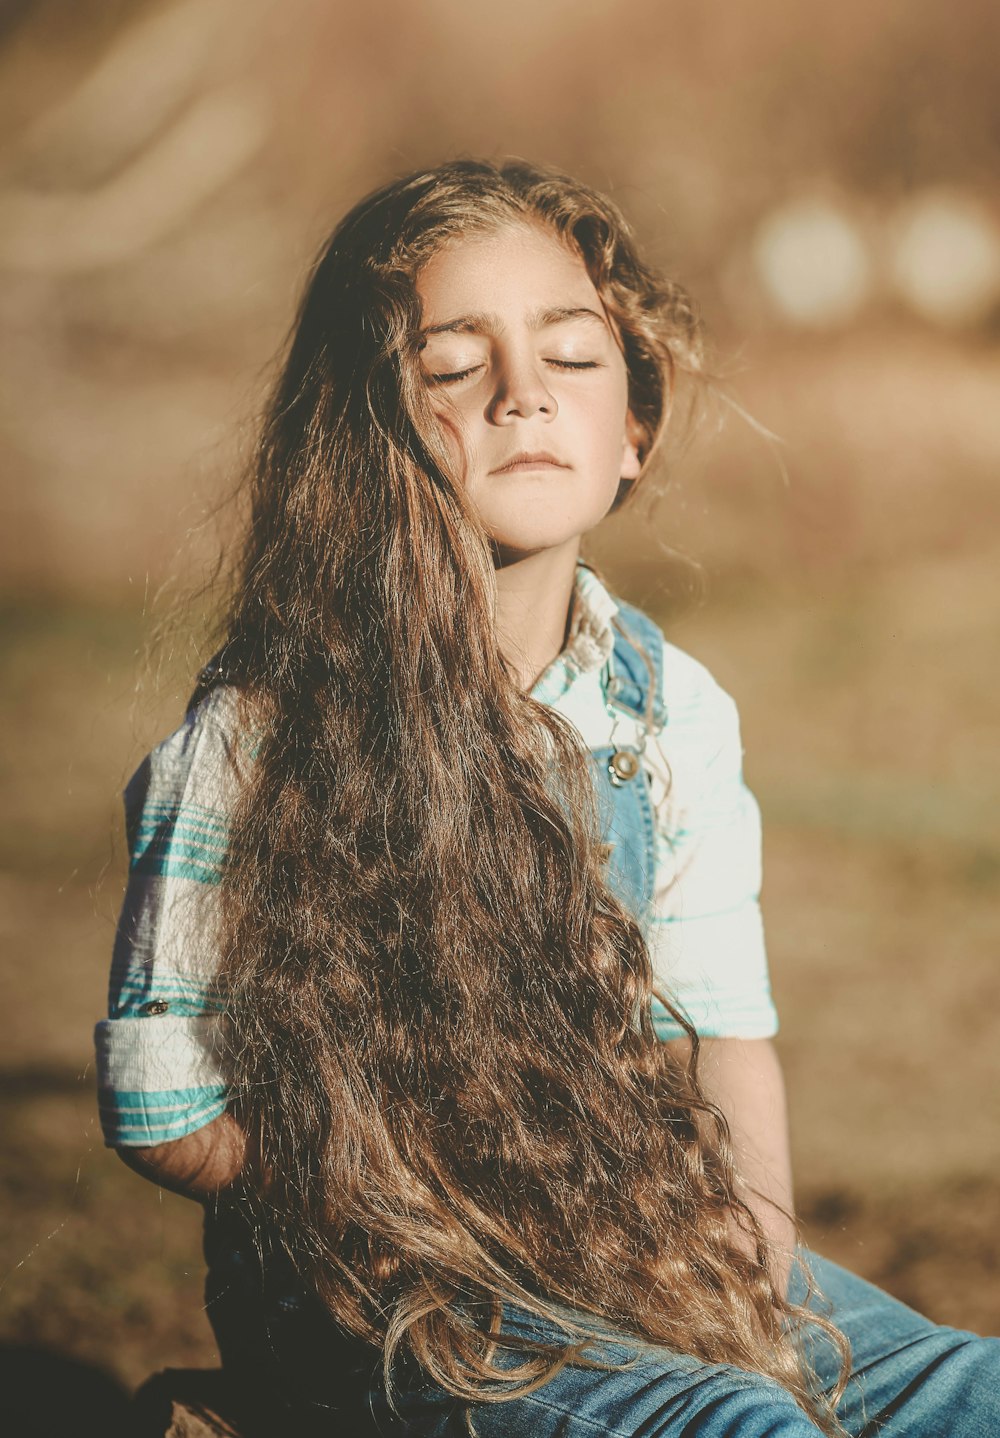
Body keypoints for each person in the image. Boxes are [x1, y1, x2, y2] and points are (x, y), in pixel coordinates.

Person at [94, 159, 999, 1437]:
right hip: (389, 1290)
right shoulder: (264, 732)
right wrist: (416, 1198)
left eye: (571, 356)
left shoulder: (671, 710)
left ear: (634, 423)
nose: (524, 392)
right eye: (457, 363)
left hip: (634, 1245)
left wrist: (746, 1268)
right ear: (366, 425)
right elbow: (159, 1104)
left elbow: (721, 1032)